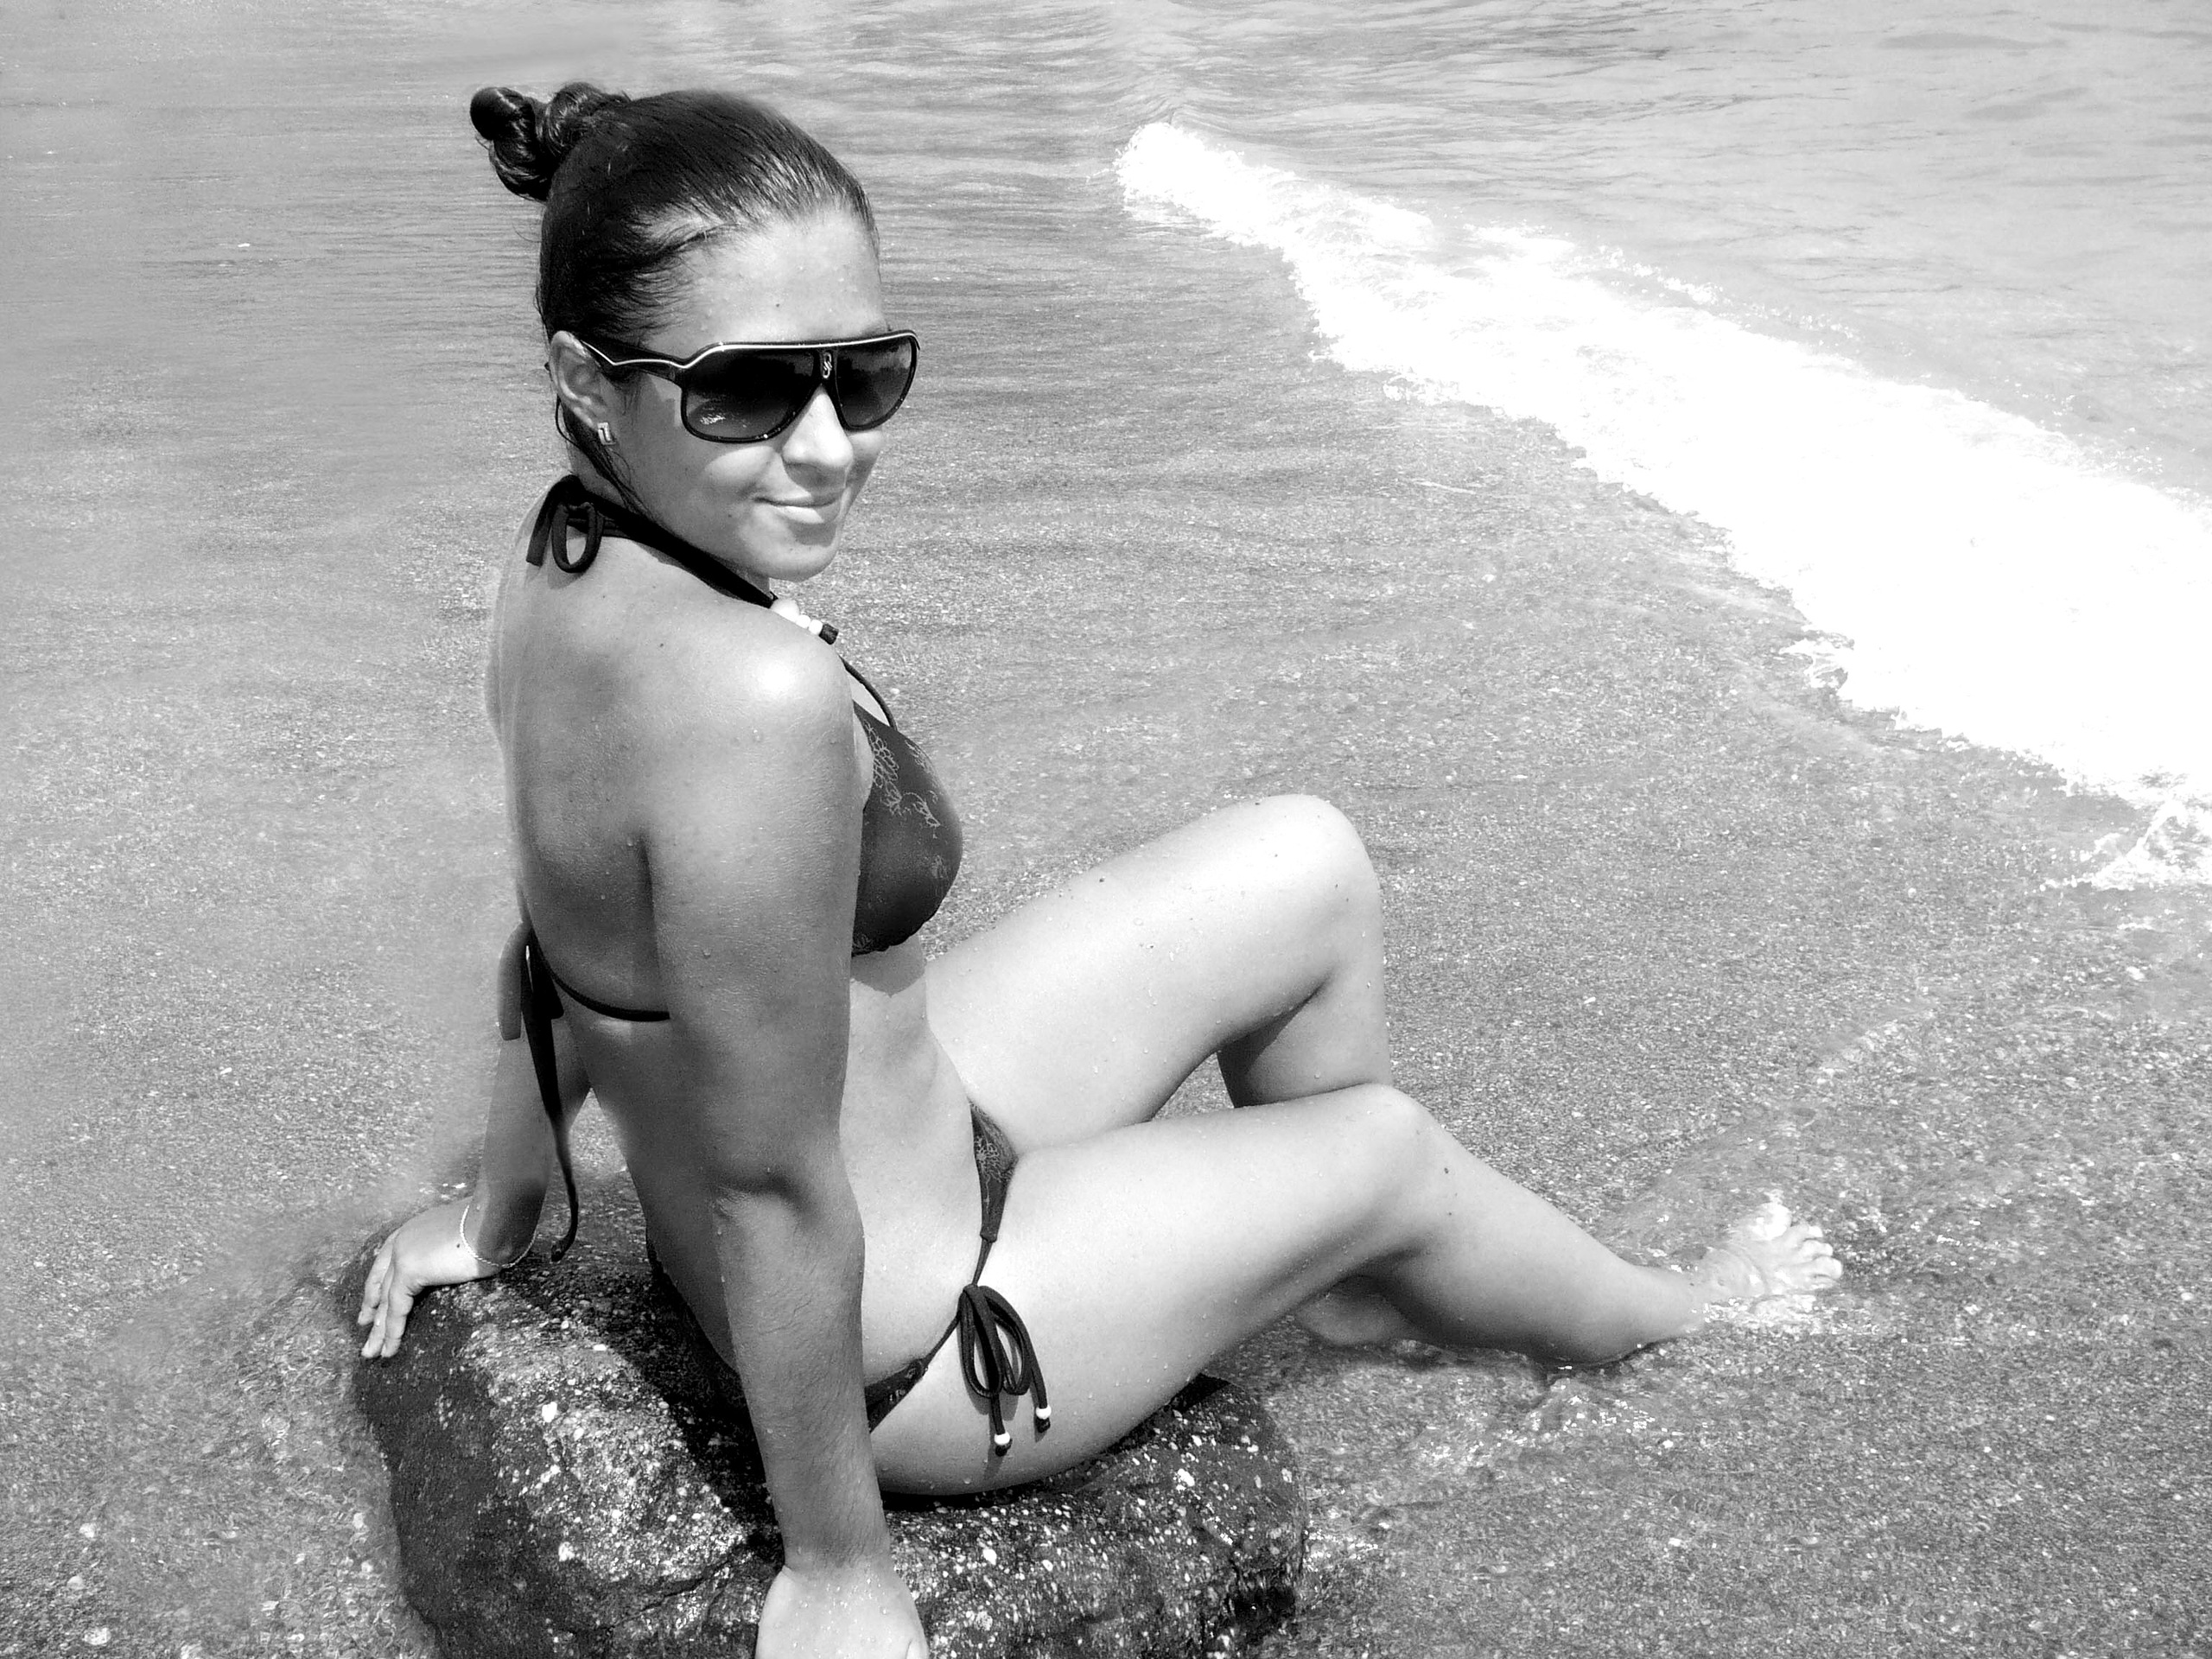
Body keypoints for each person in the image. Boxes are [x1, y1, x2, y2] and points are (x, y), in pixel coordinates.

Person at [355, 81, 1842, 1659]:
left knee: (1309, 864)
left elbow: (565, 922)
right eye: (749, 394)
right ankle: (1667, 1316)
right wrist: (840, 1569)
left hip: (924, 1138)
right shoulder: (751, 699)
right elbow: (769, 1185)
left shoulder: (562, 558)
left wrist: (507, 1202)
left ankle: (1333, 1276)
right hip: (921, 1334)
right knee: (1388, 1148)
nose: (829, 445)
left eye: (863, 374)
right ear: (587, 382)